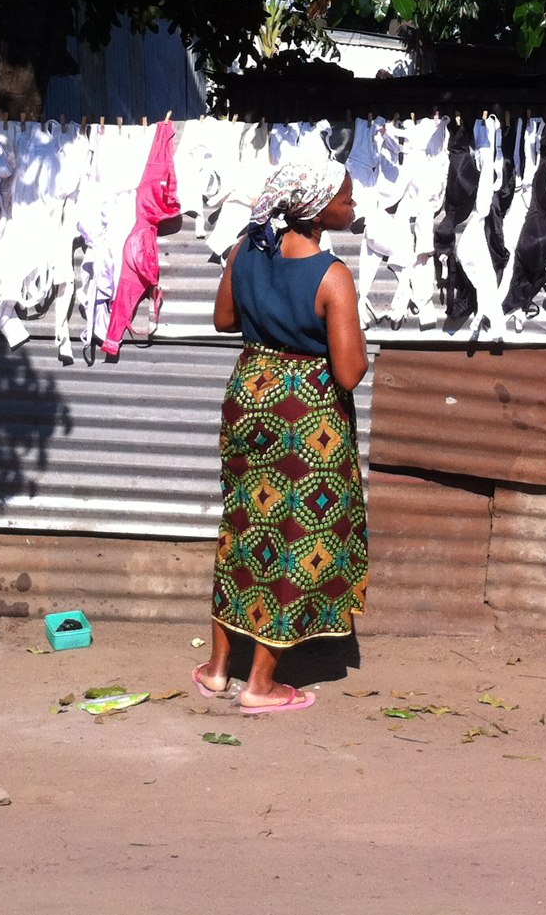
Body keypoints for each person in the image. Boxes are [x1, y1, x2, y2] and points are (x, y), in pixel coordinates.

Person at [195, 156, 370, 715]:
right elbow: (349, 373)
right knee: (298, 533)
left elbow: (224, 320)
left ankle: (217, 669)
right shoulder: (331, 275)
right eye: (345, 197)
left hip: (249, 397)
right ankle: (261, 684)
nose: (353, 205)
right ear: (316, 208)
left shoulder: (244, 251)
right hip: (305, 414)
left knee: (243, 526)